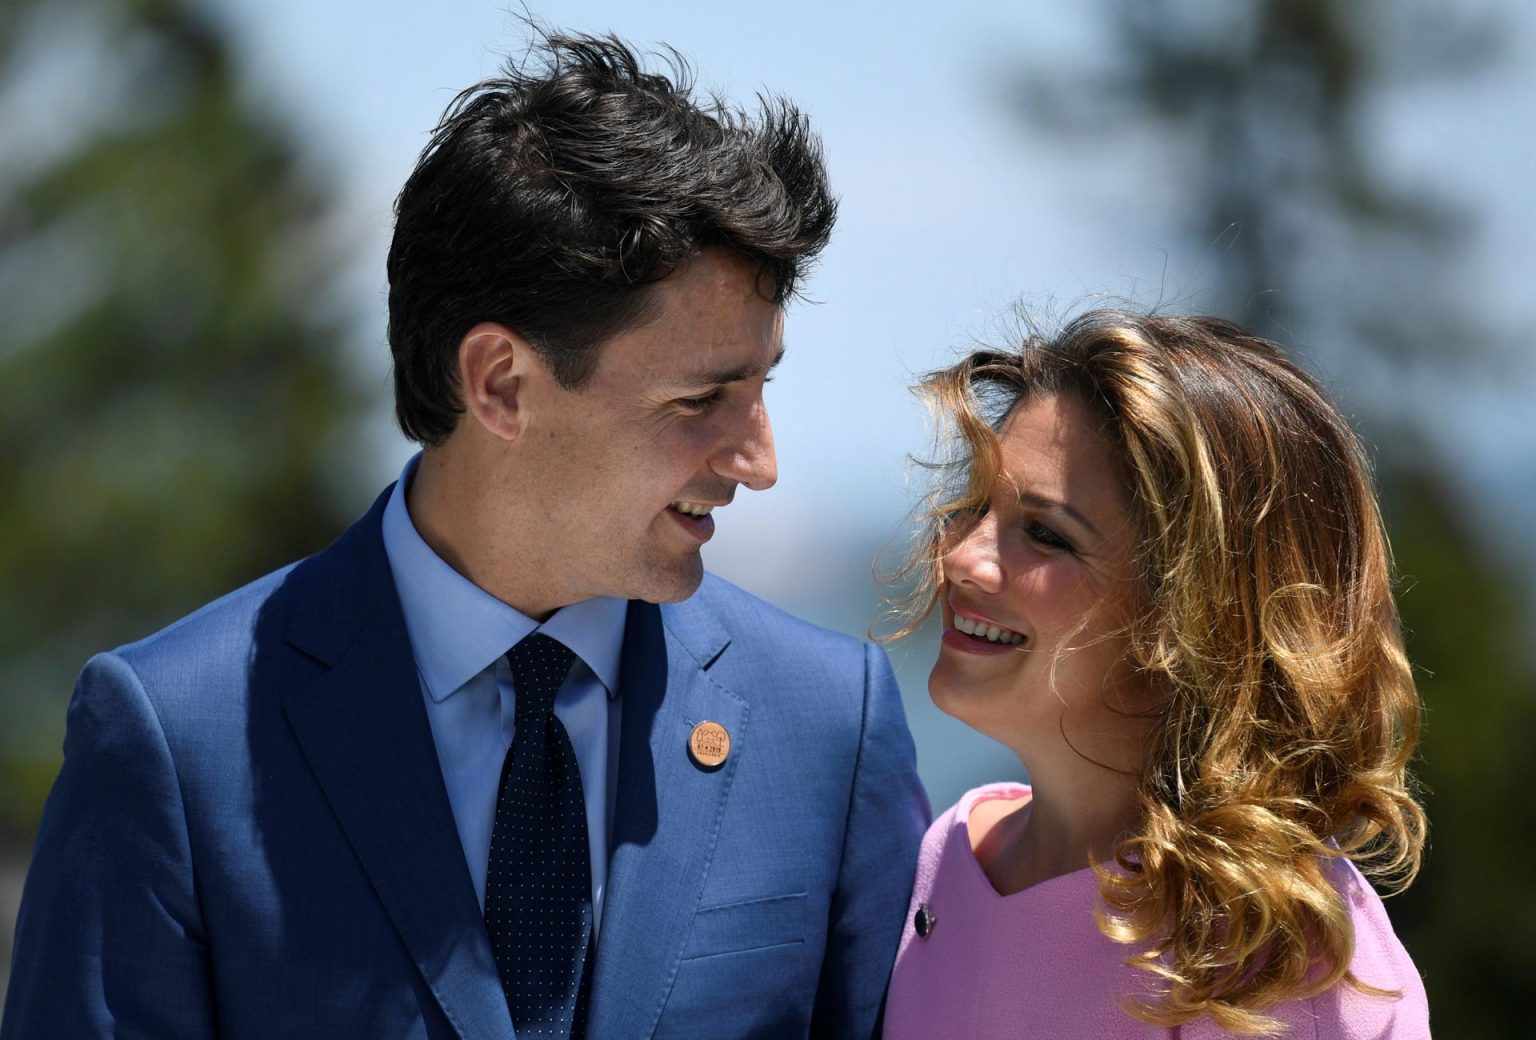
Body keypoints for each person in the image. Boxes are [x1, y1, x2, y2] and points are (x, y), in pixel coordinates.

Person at [1, 32, 928, 1039]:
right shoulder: (173, 741)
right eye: (703, 397)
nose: (760, 459)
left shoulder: (831, 725)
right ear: (499, 383)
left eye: (762, 386)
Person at [881, 310, 1429, 1038]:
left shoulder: (1283, 949)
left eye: (1044, 534)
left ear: (1198, 612)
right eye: (976, 506)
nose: (960, 557)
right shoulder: (948, 854)